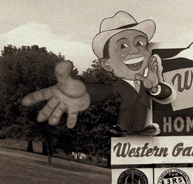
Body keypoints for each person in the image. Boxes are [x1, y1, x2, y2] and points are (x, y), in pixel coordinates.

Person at [22, 11, 174, 136]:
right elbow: (100, 91)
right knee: (128, 111)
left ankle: (141, 129)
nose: (134, 50)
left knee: (140, 109)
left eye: (140, 43)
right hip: (125, 130)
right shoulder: (118, 85)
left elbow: (166, 94)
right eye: (123, 46)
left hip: (144, 120)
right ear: (107, 64)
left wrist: (155, 88)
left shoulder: (147, 79)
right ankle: (123, 128)